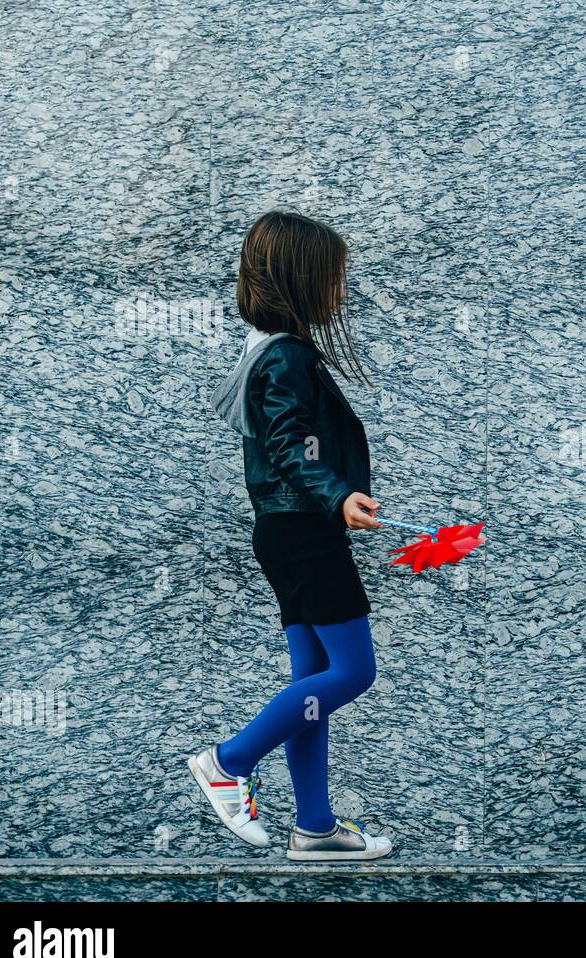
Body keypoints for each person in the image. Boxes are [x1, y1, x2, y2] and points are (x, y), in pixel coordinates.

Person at [188, 210, 393, 861]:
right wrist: (337, 496)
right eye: (333, 279)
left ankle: (314, 825)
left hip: (288, 530)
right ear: (300, 281)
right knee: (355, 670)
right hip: (304, 531)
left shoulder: (273, 352)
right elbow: (287, 444)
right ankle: (228, 761)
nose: (340, 292)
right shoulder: (285, 358)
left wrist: (333, 500)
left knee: (314, 678)